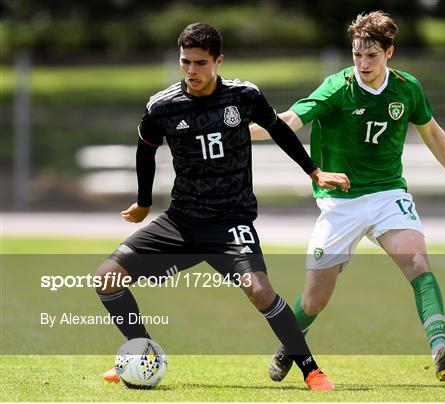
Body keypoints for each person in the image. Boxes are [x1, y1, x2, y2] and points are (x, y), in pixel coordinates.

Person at [95, 22, 350, 391]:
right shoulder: (162, 106)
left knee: (261, 291)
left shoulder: (243, 96)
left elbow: (278, 129)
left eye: (200, 63)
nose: (191, 71)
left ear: (218, 60)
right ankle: (141, 353)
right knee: (107, 278)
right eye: (185, 62)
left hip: (231, 221)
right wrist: (144, 202)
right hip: (181, 221)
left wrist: (314, 171)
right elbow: (145, 150)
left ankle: (311, 370)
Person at [250, 11, 445, 382]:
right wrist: (237, 133)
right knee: (315, 299)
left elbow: (431, 131)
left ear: (389, 52)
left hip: (388, 194)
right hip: (340, 203)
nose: (363, 63)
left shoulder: (406, 88)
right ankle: (290, 344)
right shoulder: (337, 87)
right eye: (357, 55)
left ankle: (440, 349)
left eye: (371, 55)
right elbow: (288, 121)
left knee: (418, 263)